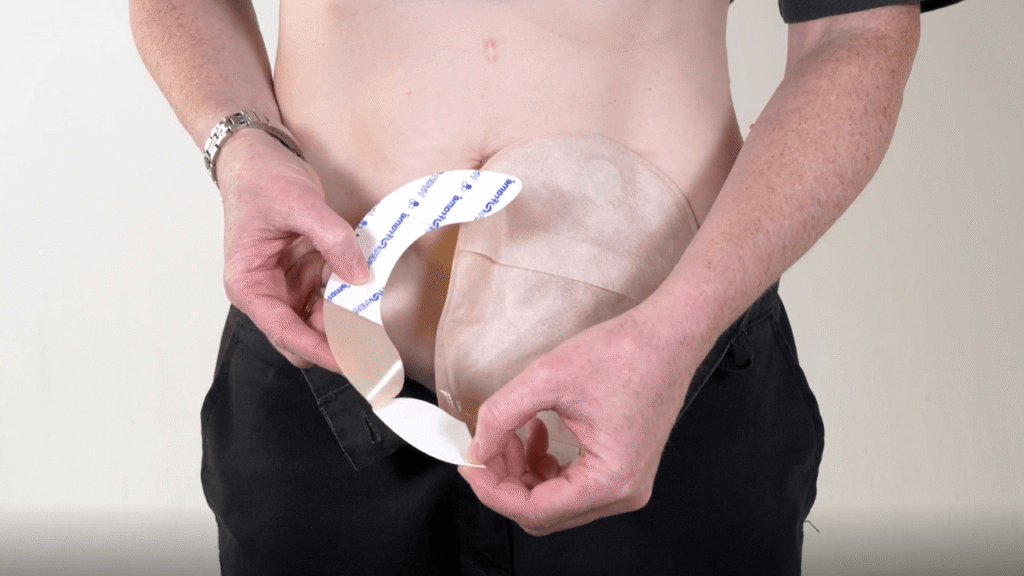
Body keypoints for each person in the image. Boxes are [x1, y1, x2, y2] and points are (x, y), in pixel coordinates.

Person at [130, 0, 963, 574]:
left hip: (668, 374)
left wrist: (680, 327)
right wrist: (238, 145)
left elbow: (855, 30)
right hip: (320, 363)